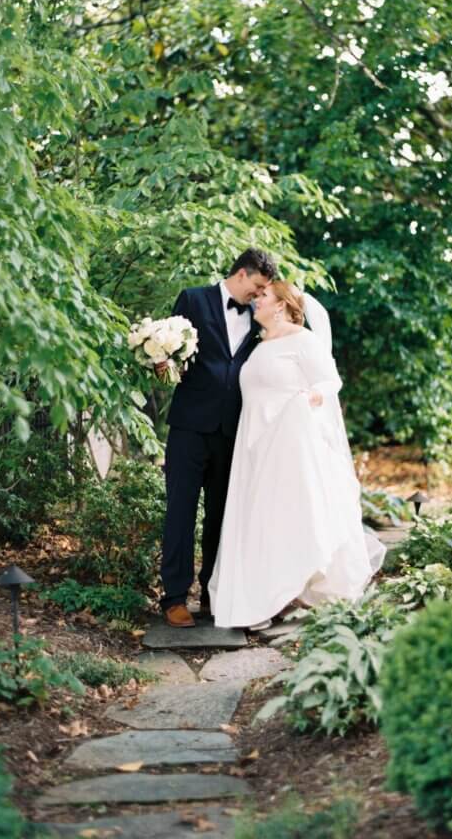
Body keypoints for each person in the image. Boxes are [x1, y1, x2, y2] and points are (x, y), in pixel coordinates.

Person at [208, 280, 384, 629]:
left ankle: (289, 591)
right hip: (255, 443)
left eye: (263, 297)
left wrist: (311, 399)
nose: (256, 301)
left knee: (289, 516)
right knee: (262, 518)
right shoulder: (258, 346)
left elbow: (330, 381)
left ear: (281, 305)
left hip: (290, 440)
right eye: (255, 296)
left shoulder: (303, 341)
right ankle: (265, 594)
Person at [159, 248, 278, 627]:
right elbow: (169, 349)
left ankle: (215, 593)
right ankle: (174, 597)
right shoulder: (193, 298)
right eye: (257, 287)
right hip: (190, 426)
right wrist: (161, 363)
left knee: (221, 517)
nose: (258, 296)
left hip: (234, 430)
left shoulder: (259, 317)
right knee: (180, 512)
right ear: (241, 274)